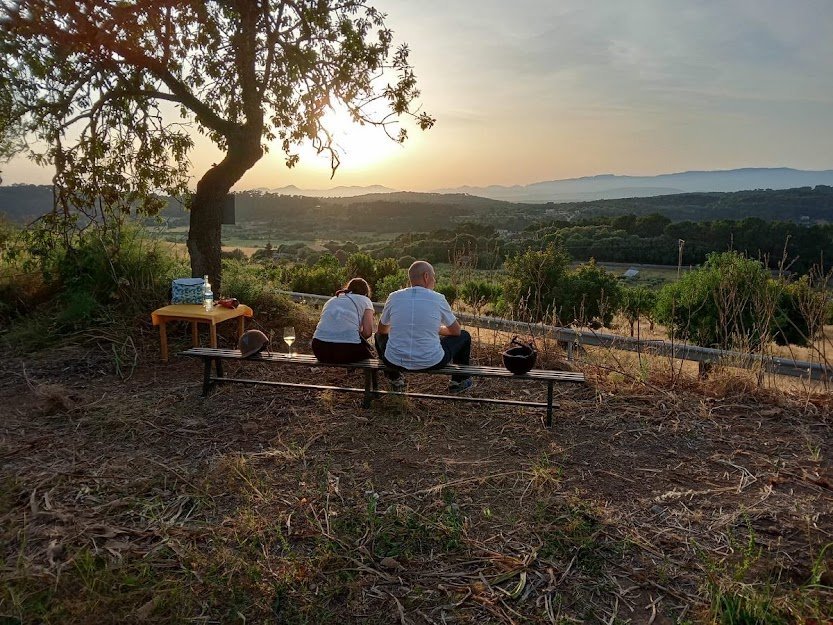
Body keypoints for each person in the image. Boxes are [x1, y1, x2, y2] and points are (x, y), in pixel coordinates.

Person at [375, 260, 472, 393]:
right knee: (464, 335)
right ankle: (458, 381)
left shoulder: (394, 297)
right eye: (434, 276)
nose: (435, 280)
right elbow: (456, 331)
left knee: (379, 336)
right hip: (432, 360)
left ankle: (395, 378)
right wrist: (436, 328)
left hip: (395, 360)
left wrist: (401, 328)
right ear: (426, 276)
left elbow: (381, 330)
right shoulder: (438, 298)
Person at [312, 278, 375, 364]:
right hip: (347, 351)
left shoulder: (332, 300)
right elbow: (367, 333)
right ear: (366, 292)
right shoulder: (365, 300)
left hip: (319, 349)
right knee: (371, 358)